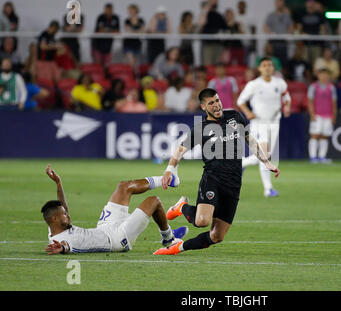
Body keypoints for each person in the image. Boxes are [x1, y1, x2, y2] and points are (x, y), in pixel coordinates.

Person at [152, 88, 280, 255]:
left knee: (217, 236)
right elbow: (180, 151)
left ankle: (177, 248)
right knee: (202, 221)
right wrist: (169, 170)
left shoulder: (235, 116)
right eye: (211, 103)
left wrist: (266, 162)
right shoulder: (201, 129)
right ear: (203, 107)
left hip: (234, 183)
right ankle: (182, 207)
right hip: (213, 179)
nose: (216, 105)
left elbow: (251, 141)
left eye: (217, 100)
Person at [42, 164, 187, 255]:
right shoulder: (61, 240)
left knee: (123, 186)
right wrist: (61, 249)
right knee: (154, 201)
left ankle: (166, 179)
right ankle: (168, 238)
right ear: (54, 218)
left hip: (105, 228)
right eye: (64, 215)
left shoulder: (54, 228)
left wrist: (58, 182)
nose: (67, 215)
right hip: (117, 239)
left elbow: (62, 207)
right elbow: (66, 246)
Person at [238, 57, 291, 197]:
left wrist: (287, 107)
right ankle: (268, 189)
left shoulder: (280, 83)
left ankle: (242, 163)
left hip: (274, 123)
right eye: (264, 65)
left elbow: (287, 98)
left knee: (264, 156)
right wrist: (248, 112)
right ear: (259, 68)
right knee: (265, 155)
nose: (267, 67)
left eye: (270, 65)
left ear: (273, 68)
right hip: (259, 123)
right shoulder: (254, 84)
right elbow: (241, 101)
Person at [307, 68, 337, 163]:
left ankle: (322, 157)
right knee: (315, 135)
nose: (324, 76)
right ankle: (313, 157)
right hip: (317, 115)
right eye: (322, 74)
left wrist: (333, 116)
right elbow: (310, 102)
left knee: (324, 136)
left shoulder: (331, 87)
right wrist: (312, 114)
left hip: (328, 116)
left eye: (326, 75)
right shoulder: (313, 87)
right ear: (318, 75)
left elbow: (334, 103)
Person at [294, 0, 326, 65]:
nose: (311, 4)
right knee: (305, 63)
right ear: (306, 4)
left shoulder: (319, 15)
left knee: (316, 63)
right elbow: (298, 28)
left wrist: (322, 39)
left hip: (317, 44)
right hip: (305, 44)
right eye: (309, 2)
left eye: (312, 3)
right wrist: (302, 35)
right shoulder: (301, 14)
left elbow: (323, 30)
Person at [263, 0, 294, 66]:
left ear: (283, 3)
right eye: (278, 2)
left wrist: (287, 33)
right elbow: (265, 28)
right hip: (273, 42)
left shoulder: (287, 15)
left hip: (283, 42)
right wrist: (271, 33)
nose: (279, 4)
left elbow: (291, 28)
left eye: (281, 2)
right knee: (273, 62)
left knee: (283, 63)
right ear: (275, 3)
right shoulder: (271, 15)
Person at [199, 0, 229, 65]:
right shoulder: (204, 15)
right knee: (208, 64)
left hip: (218, 44)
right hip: (208, 44)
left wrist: (221, 35)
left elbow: (225, 28)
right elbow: (201, 25)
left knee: (217, 64)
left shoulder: (219, 15)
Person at [123, 4, 145, 73]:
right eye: (130, 10)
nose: (131, 12)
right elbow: (128, 30)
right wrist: (137, 31)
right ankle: (131, 74)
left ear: (136, 11)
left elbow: (142, 30)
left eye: (132, 10)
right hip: (128, 43)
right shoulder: (127, 20)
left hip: (137, 43)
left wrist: (134, 31)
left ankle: (135, 76)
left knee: (137, 62)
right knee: (131, 61)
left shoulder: (141, 20)